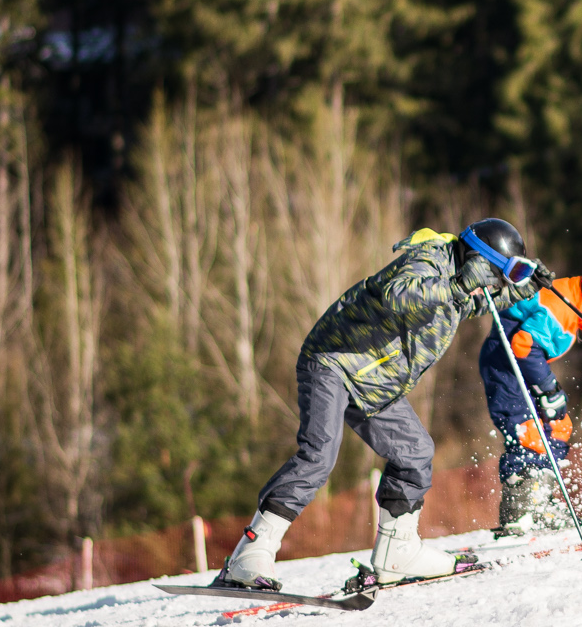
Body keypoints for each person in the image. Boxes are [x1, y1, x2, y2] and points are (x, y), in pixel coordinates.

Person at [216, 219, 552, 591]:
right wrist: (458, 286)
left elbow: (463, 305)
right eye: (497, 276)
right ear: (477, 260)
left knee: (415, 453)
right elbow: (400, 294)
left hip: (375, 383)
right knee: (319, 454)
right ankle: (250, 553)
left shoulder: (460, 282)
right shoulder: (428, 260)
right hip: (335, 361)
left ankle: (398, 552)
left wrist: (520, 293)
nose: (497, 285)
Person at [480, 261, 582, 533]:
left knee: (557, 426)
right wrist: (549, 388)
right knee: (529, 431)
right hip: (505, 366)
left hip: (523, 367)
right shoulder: (559, 307)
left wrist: (549, 390)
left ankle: (539, 501)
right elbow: (523, 344)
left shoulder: (571, 303)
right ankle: (519, 510)